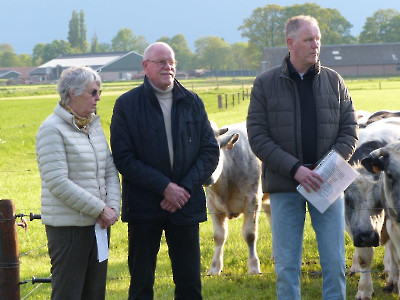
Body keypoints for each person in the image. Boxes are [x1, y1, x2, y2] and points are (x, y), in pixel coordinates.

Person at [246, 15, 358, 299]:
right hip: (285, 186)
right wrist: (295, 169)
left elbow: (350, 130)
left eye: (318, 39)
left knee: (335, 264)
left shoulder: (335, 82)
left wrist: (325, 169)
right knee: (286, 267)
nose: (316, 45)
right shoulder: (265, 84)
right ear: (290, 43)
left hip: (328, 184)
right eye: (309, 40)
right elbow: (258, 136)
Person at [110, 42, 219, 300]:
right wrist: (165, 188)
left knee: (190, 283)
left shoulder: (192, 102)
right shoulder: (126, 105)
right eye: (161, 62)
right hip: (144, 207)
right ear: (145, 66)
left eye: (172, 62)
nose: (168, 66)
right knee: (141, 283)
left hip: (186, 205)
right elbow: (124, 158)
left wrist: (182, 190)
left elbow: (209, 152)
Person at [35, 66, 121, 300]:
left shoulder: (93, 127)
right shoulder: (51, 130)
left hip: (99, 227)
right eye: (93, 92)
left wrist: (113, 207)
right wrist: (100, 209)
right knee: (69, 294)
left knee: (95, 294)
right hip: (69, 231)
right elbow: (57, 182)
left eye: (99, 92)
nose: (98, 98)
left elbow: (110, 169)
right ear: (72, 93)